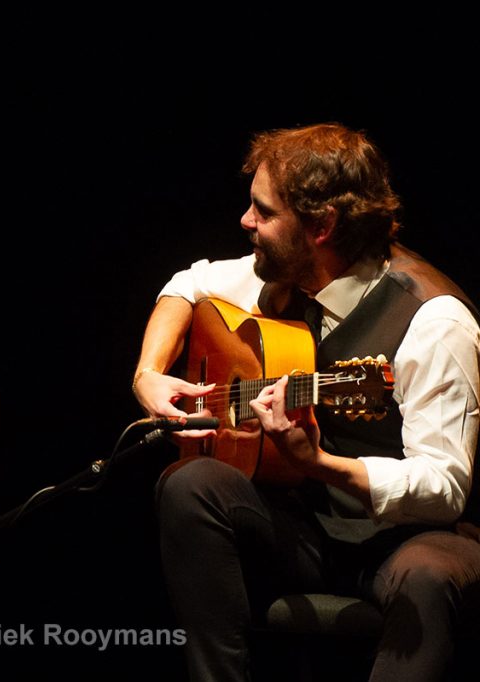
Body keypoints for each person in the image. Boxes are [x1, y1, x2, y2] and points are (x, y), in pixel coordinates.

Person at [132, 123, 480, 680]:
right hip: (306, 527)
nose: (246, 222)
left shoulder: (434, 320)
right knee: (189, 484)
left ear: (321, 226)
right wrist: (148, 374)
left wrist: (319, 464)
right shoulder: (286, 272)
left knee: (429, 575)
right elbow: (186, 286)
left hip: (403, 539)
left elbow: (445, 488)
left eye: (263, 212)